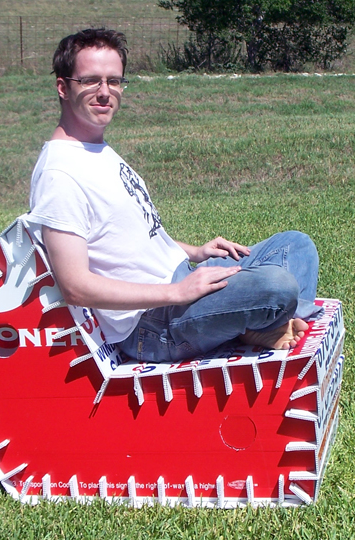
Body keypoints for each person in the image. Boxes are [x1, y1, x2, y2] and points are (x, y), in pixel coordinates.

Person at [24, 28, 322, 363]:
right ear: (63, 87)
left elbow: (127, 238)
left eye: (114, 81)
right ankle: (268, 319)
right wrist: (176, 292)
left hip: (179, 281)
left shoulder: (96, 150)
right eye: (90, 81)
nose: (105, 92)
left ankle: (268, 322)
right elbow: (74, 286)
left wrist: (196, 252)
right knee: (277, 285)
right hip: (151, 324)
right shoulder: (60, 173)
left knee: (297, 246)